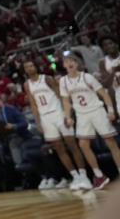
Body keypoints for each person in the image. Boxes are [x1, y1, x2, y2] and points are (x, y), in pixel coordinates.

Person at [22, 59, 89, 190]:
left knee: (72, 145)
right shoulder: (27, 84)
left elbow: (61, 95)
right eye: (27, 67)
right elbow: (33, 105)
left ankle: (83, 175)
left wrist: (67, 114)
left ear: (36, 67)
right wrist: (38, 122)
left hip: (58, 113)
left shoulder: (47, 79)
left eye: (31, 65)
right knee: (59, 149)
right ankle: (74, 176)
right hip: (45, 118)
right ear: (25, 70)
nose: (30, 68)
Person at [60, 52, 120, 190]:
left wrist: (110, 111)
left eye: (72, 61)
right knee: (83, 145)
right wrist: (68, 117)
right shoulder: (63, 81)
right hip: (81, 115)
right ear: (63, 65)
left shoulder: (87, 77)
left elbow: (104, 94)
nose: (70, 63)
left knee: (110, 142)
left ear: (77, 64)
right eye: (67, 61)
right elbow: (65, 101)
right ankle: (99, 175)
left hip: (97, 111)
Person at [0, 94, 31, 166]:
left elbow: (24, 124)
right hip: (5, 136)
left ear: (1, 101)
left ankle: (20, 165)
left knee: (13, 143)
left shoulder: (11, 109)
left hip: (19, 133)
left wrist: (13, 126)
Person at [100, 36, 120, 108]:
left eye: (110, 43)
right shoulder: (103, 62)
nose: (108, 46)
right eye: (105, 45)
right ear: (103, 49)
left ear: (116, 44)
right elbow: (106, 85)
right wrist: (114, 71)